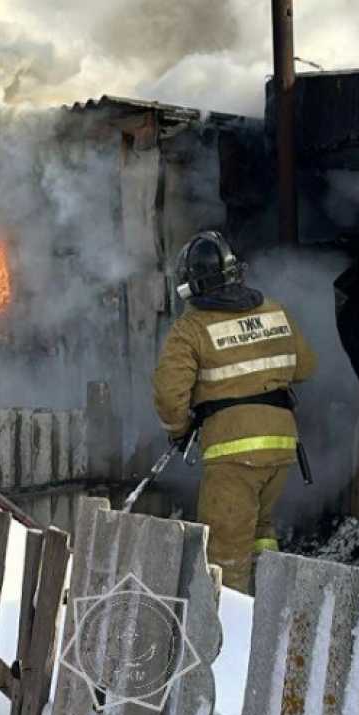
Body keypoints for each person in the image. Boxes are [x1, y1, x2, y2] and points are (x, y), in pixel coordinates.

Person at [152, 231, 316, 594]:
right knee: (260, 530)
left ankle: (231, 632)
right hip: (281, 448)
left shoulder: (191, 329)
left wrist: (179, 429)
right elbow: (305, 367)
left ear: (192, 285)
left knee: (224, 556)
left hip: (233, 454)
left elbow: (169, 395)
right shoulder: (274, 312)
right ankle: (267, 607)